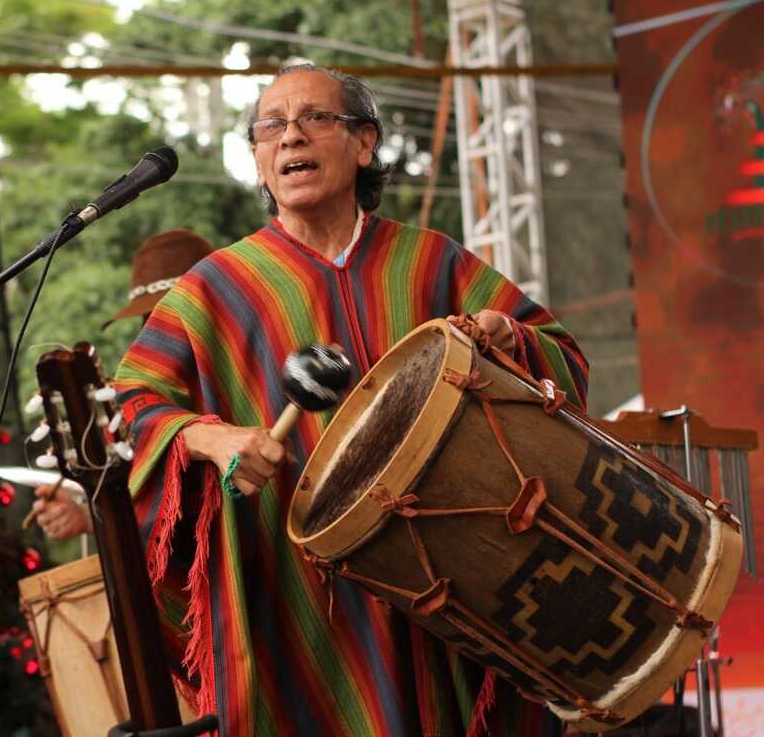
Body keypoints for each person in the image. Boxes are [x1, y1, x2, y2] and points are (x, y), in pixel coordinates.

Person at [114, 64, 589, 736]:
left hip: (447, 587)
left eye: (313, 118)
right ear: (255, 160)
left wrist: (502, 333)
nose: (289, 138)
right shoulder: (213, 289)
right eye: (269, 127)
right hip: (290, 596)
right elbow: (134, 403)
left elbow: (561, 354)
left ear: (365, 142)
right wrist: (212, 438)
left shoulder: (431, 263)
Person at [31, 229, 214, 540]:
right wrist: (89, 514)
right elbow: (156, 515)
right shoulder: (135, 403)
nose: (157, 333)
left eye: (172, 316)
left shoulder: (247, 374)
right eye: (150, 320)